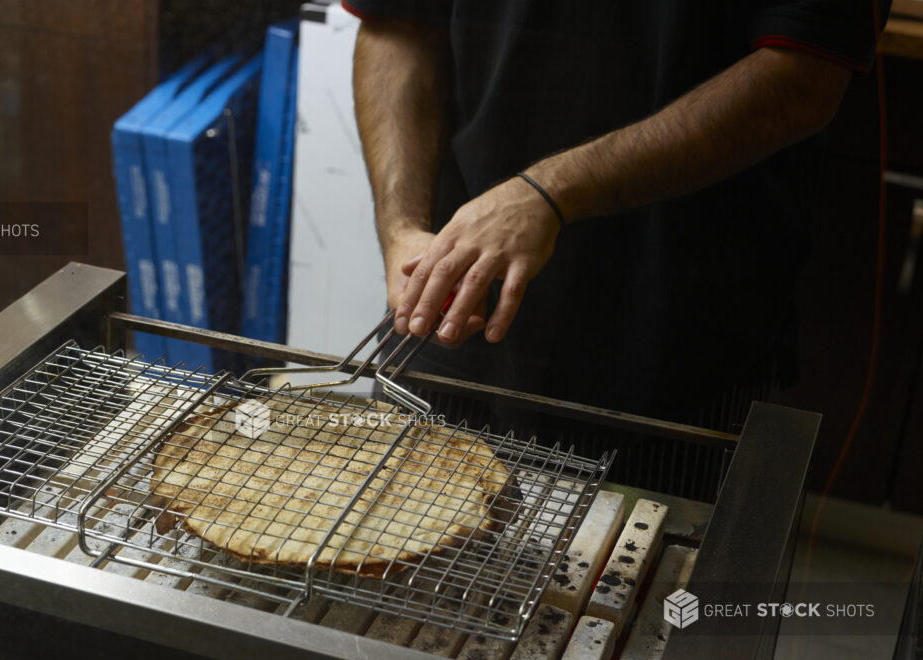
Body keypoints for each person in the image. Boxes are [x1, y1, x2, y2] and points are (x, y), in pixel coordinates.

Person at [346, 0, 888, 494]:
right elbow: (396, 26)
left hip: (676, 341)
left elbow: (800, 79)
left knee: (660, 587)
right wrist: (401, 229)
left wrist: (548, 193)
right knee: (393, 566)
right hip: (453, 305)